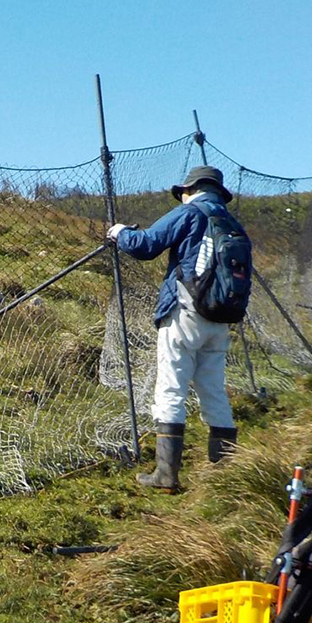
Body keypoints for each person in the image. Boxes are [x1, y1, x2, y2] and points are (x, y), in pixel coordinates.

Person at [107, 164, 240, 491]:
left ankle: (166, 475)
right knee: (213, 391)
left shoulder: (191, 213)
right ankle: (227, 476)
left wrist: (119, 232)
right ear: (218, 192)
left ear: (190, 190)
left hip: (184, 312)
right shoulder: (231, 223)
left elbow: (146, 245)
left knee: (171, 388)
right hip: (219, 320)